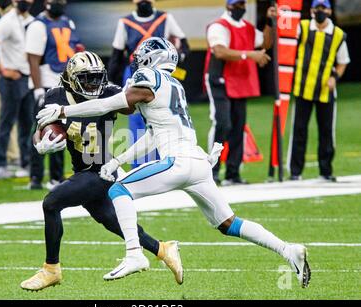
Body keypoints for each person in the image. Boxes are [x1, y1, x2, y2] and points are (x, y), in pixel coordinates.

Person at [37, 37, 311, 288]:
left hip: (177, 162)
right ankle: (287, 249)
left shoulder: (148, 77)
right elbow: (152, 136)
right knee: (228, 223)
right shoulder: (174, 85)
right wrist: (118, 160)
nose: (138, 60)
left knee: (118, 190)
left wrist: (63, 110)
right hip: (199, 164)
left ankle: (135, 254)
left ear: (153, 59)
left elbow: (107, 104)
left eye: (144, 55)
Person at [21, 51, 182, 291]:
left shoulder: (110, 92)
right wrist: (41, 142)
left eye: (97, 78)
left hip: (103, 171)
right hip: (84, 170)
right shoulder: (54, 96)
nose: (93, 84)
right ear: (71, 77)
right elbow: (40, 128)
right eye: (87, 78)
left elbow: (131, 106)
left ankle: (51, 269)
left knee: (51, 203)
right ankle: (162, 249)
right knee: (111, 221)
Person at [108, 0, 189, 168]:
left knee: (162, 116)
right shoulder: (125, 22)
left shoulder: (165, 18)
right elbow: (117, 54)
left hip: (160, 73)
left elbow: (184, 44)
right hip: (135, 73)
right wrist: (111, 81)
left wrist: (176, 60)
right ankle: (139, 166)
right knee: (137, 120)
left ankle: (163, 161)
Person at [205, 0, 275, 185]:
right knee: (223, 123)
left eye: (242, 4)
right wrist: (250, 54)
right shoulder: (218, 26)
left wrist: (269, 21)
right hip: (219, 78)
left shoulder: (248, 28)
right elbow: (220, 51)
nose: (240, 8)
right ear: (228, 6)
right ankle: (212, 169)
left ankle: (233, 172)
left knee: (238, 126)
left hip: (239, 80)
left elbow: (266, 43)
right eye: (237, 4)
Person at [288, 0, 350, 182]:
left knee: (326, 131)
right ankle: (295, 172)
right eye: (317, 8)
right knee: (299, 130)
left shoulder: (338, 35)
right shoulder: (303, 27)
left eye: (323, 8)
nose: (320, 11)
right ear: (311, 10)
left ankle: (326, 171)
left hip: (325, 90)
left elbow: (343, 62)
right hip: (302, 88)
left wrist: (335, 78)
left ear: (330, 10)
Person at [25, 0, 84, 190]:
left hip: (64, 84)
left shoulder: (68, 22)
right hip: (46, 84)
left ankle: (56, 177)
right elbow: (33, 60)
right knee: (41, 129)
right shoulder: (37, 25)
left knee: (62, 130)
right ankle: (36, 176)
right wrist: (37, 88)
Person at [0, 0, 35, 178]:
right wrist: (2, 70)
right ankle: (0, 164)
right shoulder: (7, 21)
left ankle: (25, 162)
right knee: (6, 123)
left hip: (27, 77)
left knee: (27, 123)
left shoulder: (30, 21)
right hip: (12, 78)